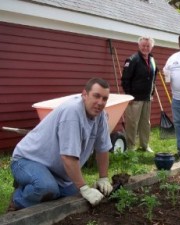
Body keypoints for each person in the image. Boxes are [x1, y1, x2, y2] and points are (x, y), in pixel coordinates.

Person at [8, 77, 113, 211]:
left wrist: (103, 178)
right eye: (96, 96)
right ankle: (17, 200)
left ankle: (36, 184)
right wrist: (84, 188)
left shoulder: (101, 116)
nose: (100, 102)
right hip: (28, 160)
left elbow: (102, 149)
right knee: (46, 188)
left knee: (72, 197)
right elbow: (68, 158)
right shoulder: (72, 112)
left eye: (104, 99)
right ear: (84, 95)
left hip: (58, 172)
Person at [121, 36, 158, 153]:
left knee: (145, 123)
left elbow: (153, 78)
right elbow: (125, 79)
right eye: (143, 45)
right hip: (134, 98)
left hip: (147, 97)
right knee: (132, 123)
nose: (145, 48)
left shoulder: (152, 59)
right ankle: (130, 147)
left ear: (151, 47)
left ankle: (145, 145)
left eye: (148, 46)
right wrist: (128, 95)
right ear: (139, 46)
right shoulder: (132, 59)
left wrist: (151, 92)